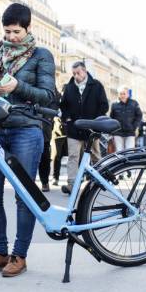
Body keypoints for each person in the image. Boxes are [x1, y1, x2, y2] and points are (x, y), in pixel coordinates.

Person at [0, 3, 55, 278]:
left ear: (28, 27)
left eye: (16, 31)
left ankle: (19, 255)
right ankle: (0, 252)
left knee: (24, 196)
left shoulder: (41, 55)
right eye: (7, 31)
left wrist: (16, 87)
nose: (10, 37)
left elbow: (48, 95)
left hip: (26, 130)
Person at [59, 61, 109, 194]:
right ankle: (72, 185)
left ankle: (100, 180)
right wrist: (67, 117)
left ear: (85, 71)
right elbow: (63, 106)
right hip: (74, 128)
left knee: (95, 156)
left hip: (92, 128)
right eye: (74, 73)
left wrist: (96, 120)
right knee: (73, 156)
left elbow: (104, 106)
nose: (76, 76)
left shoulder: (96, 85)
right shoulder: (69, 87)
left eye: (78, 73)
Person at [38, 87, 60, 192]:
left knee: (45, 156)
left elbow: (56, 101)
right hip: (30, 121)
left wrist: (49, 117)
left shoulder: (50, 84)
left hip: (45, 124)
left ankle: (45, 181)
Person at [109, 86, 142, 151]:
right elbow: (111, 118)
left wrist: (135, 127)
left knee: (129, 152)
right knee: (119, 152)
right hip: (118, 133)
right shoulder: (114, 104)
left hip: (130, 132)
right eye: (121, 94)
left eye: (124, 94)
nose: (122, 95)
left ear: (128, 94)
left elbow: (139, 115)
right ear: (118, 94)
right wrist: (112, 131)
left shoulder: (134, 103)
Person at [51, 116, 68, 186]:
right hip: (57, 134)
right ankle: (55, 177)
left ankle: (77, 178)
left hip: (71, 132)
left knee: (76, 157)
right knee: (57, 156)